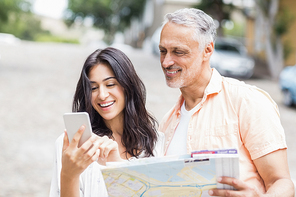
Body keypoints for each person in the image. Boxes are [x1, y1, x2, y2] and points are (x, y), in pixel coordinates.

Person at [158, 8, 295, 196]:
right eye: (162, 51)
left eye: (178, 52)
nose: (166, 62)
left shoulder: (247, 101)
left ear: (207, 50)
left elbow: (282, 183)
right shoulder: (167, 123)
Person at [50, 47, 164, 197]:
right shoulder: (73, 146)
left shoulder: (156, 142)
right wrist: (69, 175)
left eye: (110, 84)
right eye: (93, 88)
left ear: (128, 86)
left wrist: (116, 168)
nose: (102, 95)